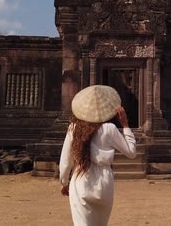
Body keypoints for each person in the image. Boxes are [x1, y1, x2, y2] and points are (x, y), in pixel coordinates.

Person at [59, 85, 137, 226]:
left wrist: (65, 183)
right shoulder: (109, 129)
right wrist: (125, 124)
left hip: (81, 178)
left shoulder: (74, 128)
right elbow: (131, 153)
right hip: (104, 182)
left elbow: (65, 161)